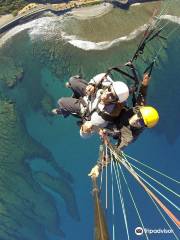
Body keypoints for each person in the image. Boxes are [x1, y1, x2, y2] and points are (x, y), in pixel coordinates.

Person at [89, 73, 159, 178]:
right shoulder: (139, 109)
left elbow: (115, 151)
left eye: (141, 122)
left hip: (113, 126)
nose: (137, 119)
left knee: (99, 126)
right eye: (139, 115)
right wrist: (144, 84)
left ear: (144, 126)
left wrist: (98, 167)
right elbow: (142, 97)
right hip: (119, 113)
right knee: (114, 96)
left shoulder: (129, 136)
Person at [52, 73, 129, 135]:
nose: (106, 94)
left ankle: (65, 111)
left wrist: (84, 129)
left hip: (87, 108)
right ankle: (73, 86)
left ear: (115, 101)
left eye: (111, 96)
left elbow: (86, 131)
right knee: (72, 80)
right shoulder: (109, 85)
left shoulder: (101, 118)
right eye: (109, 89)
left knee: (61, 101)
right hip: (91, 96)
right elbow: (103, 75)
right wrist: (92, 84)